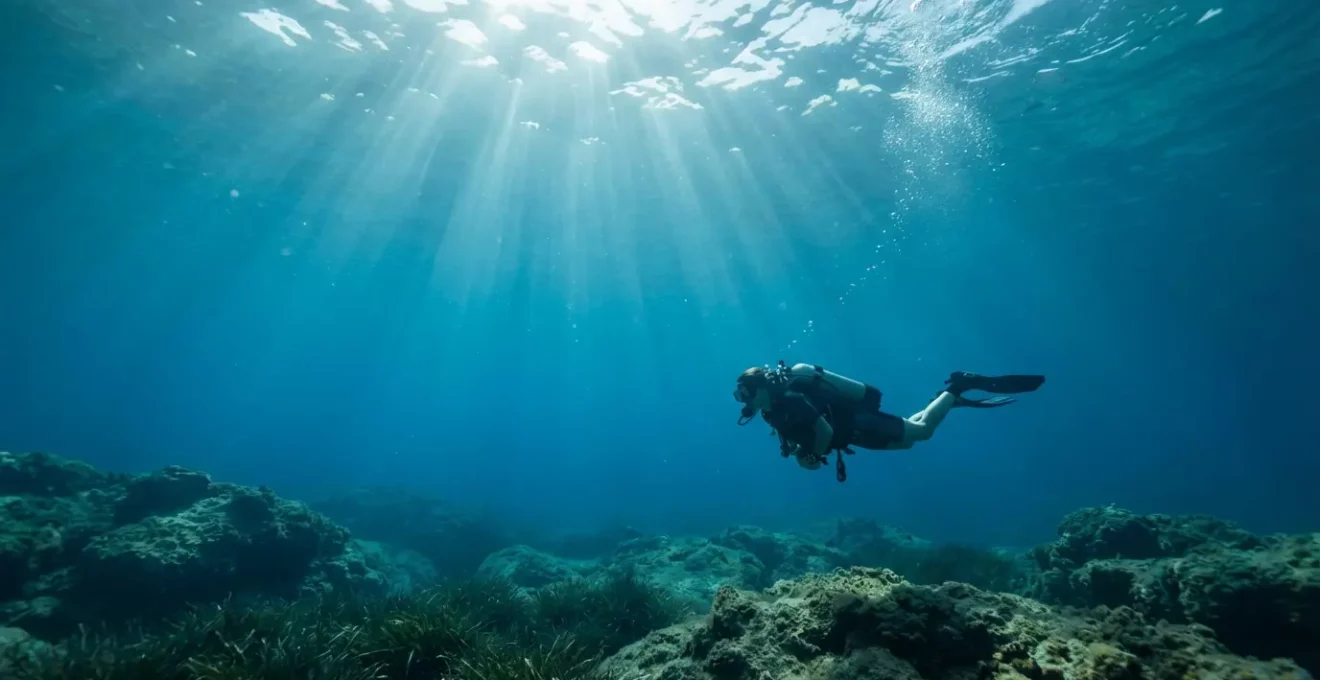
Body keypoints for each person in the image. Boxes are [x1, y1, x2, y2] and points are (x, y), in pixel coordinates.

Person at [732, 361, 1044, 482]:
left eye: (745, 393)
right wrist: (802, 452)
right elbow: (799, 434)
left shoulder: (789, 400)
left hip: (858, 421)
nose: (743, 401)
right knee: (909, 439)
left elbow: (823, 430)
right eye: (740, 395)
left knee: (922, 433)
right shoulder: (773, 410)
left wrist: (813, 455)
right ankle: (949, 399)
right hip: (853, 433)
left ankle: (957, 389)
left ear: (760, 389)